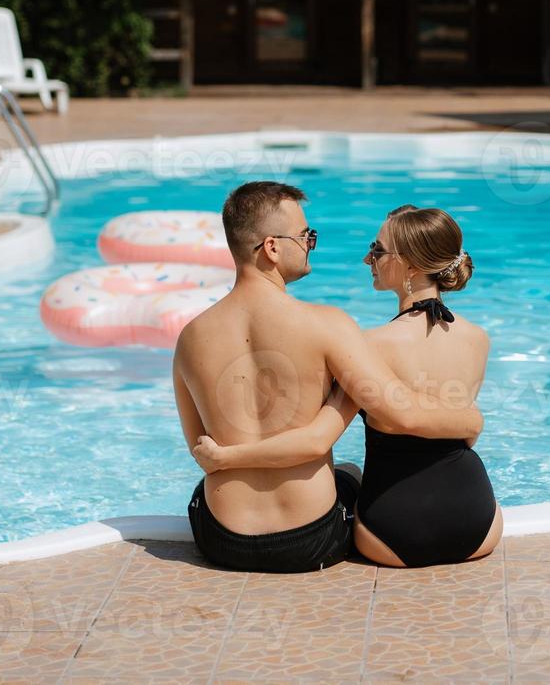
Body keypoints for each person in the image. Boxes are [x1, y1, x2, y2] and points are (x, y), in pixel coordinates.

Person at [173, 183, 483, 574]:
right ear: (271, 247)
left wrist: (229, 458)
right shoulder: (329, 326)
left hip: (222, 540)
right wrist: (471, 420)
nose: (310, 243)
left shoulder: (189, 338)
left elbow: (200, 449)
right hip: (309, 540)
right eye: (306, 236)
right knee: (349, 475)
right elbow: (400, 414)